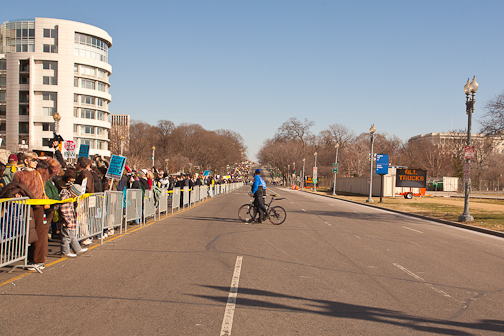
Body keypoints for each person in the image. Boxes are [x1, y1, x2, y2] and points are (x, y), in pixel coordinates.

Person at [11, 152, 61, 269]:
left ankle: (38, 260)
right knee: (28, 233)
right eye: (33, 160)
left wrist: (46, 158)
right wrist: (17, 195)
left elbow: (56, 167)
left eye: (36, 160)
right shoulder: (19, 174)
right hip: (25, 207)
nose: (35, 162)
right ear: (26, 161)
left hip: (39, 207)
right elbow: (14, 188)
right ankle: (29, 258)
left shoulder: (40, 173)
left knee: (40, 233)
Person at [57, 173, 88, 257]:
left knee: (72, 236)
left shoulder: (68, 196)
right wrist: (68, 220)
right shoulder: (65, 196)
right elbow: (64, 210)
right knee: (66, 237)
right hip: (68, 220)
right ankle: (65, 252)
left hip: (70, 219)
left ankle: (77, 249)